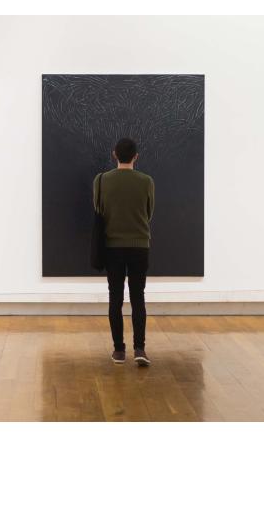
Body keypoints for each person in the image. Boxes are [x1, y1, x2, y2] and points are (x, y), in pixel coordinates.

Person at [93, 137, 155, 366]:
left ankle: (119, 350)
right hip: (140, 246)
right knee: (138, 297)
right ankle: (140, 348)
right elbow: (149, 212)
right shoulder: (146, 181)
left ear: (114, 154)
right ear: (136, 157)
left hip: (112, 247)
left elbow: (98, 208)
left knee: (115, 298)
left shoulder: (101, 181)